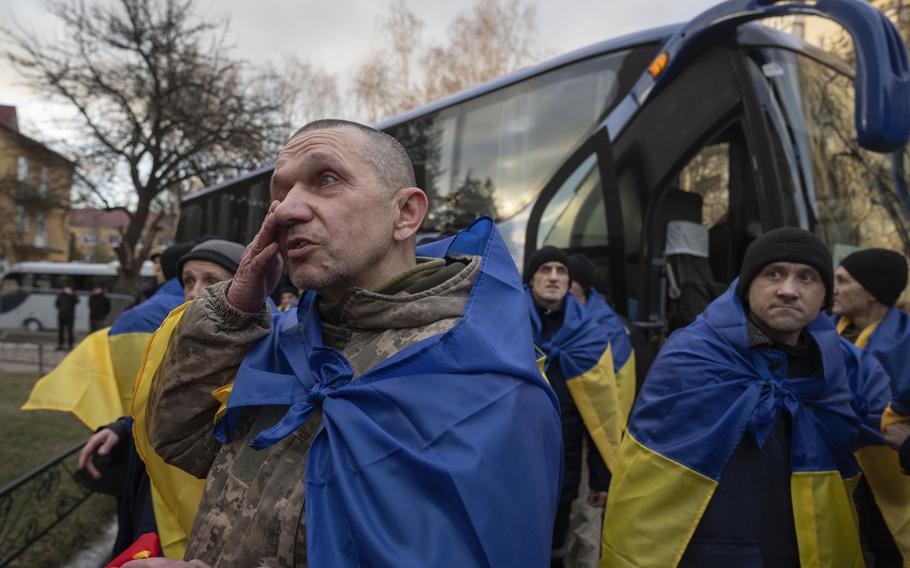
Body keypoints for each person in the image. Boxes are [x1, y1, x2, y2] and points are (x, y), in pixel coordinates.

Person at [125, 119, 562, 568]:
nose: (286, 211)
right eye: (280, 192)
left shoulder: (490, 386)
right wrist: (234, 308)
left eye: (326, 180)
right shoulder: (282, 340)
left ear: (406, 214)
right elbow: (180, 442)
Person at [600, 227, 890, 568]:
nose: (788, 291)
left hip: (810, 549)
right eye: (773, 274)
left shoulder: (846, 367)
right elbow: (648, 480)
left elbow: (887, 418)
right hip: (712, 550)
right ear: (746, 286)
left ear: (825, 296)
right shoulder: (693, 356)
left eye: (807, 278)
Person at [74, 239, 247, 560]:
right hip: (154, 501)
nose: (195, 291)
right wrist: (123, 428)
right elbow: (162, 407)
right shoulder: (171, 340)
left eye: (211, 280)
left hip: (209, 522)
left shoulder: (267, 356)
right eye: (189, 281)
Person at [524, 246, 621, 568]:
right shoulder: (505, 324)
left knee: (556, 546)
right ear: (531, 278)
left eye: (561, 271)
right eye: (545, 269)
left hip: (564, 461)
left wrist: (599, 478)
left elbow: (601, 411)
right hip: (513, 459)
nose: (553, 277)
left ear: (569, 282)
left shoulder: (590, 337)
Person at [833, 247, 910, 564]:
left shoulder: (905, 341)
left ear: (871, 293)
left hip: (892, 467)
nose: (832, 288)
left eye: (842, 281)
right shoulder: (822, 329)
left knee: (885, 544)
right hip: (838, 461)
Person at [55, 284, 78, 350]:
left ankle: (70, 345)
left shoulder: (73, 295)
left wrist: (71, 295)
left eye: (68, 289)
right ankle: (60, 345)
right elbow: (57, 304)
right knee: (61, 331)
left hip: (70, 316)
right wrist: (61, 309)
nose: (66, 290)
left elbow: (76, 301)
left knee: (70, 331)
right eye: (65, 288)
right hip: (61, 316)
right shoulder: (60, 296)